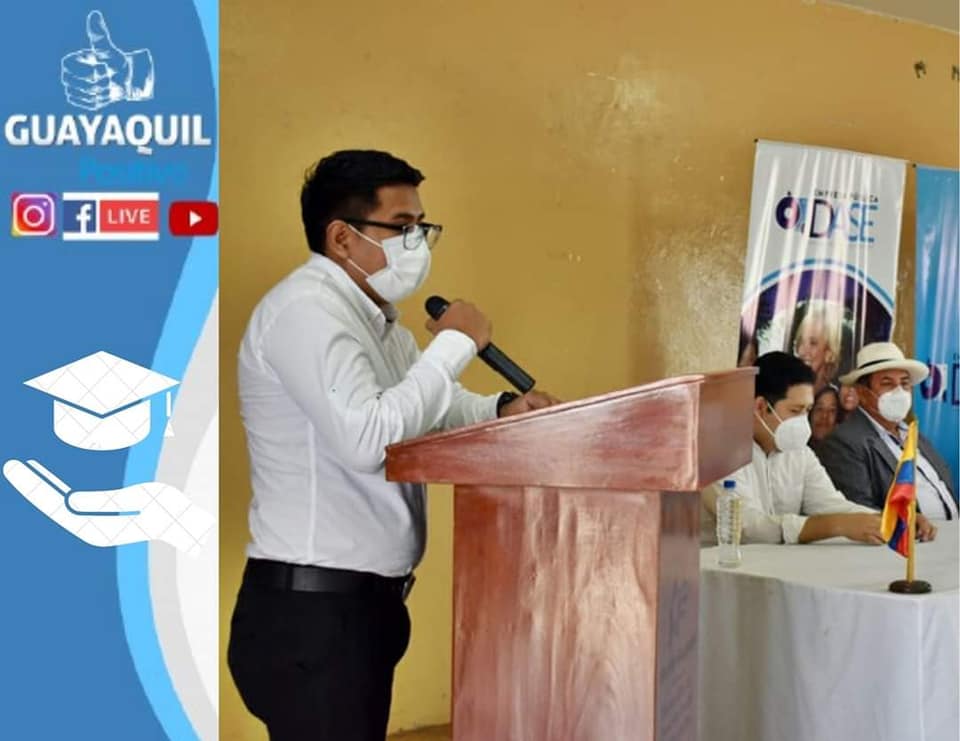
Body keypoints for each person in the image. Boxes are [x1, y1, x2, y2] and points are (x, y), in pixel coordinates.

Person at [227, 149, 559, 741]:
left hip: (359, 609)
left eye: (422, 227)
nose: (418, 244)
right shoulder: (307, 312)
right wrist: (454, 344)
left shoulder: (377, 319)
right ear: (342, 238)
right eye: (402, 227)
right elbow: (370, 440)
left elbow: (424, 411)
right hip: (312, 613)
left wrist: (501, 409)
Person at [700, 352, 936, 545]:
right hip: (718, 575)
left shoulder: (799, 452)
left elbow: (830, 503)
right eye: (795, 410)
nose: (803, 420)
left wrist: (891, 519)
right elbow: (745, 527)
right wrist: (835, 526)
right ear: (760, 407)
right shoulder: (717, 451)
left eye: (807, 410)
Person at [817, 342, 957, 520]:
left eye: (904, 383)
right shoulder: (844, 442)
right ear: (862, 392)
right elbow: (859, 512)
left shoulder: (914, 435)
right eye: (887, 383)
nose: (899, 391)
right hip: (909, 537)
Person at [791, 299, 845, 394]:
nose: (802, 351)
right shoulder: (788, 392)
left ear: (829, 354)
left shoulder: (831, 399)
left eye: (813, 343)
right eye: (801, 341)